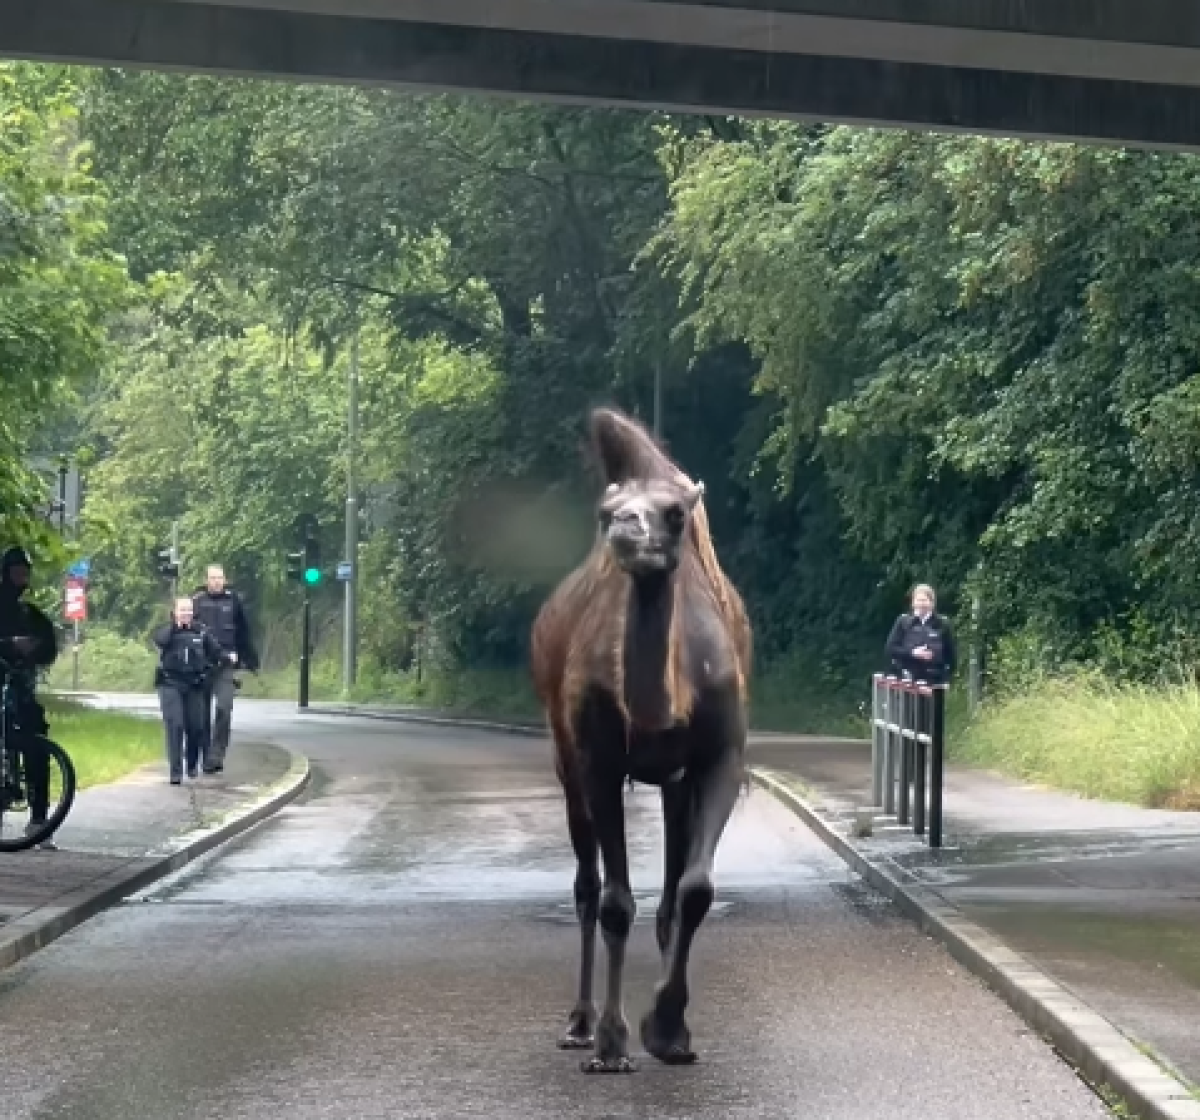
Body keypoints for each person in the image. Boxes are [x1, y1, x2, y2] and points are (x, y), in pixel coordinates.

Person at [0, 547, 60, 849]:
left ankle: (39, 820)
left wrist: (33, 649)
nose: (22, 576)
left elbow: (49, 647)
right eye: (17, 570)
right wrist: (10, 644)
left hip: (20, 691)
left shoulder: (29, 612)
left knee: (37, 746)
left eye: (25, 571)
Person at [192, 565, 258, 774]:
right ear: (206, 580)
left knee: (223, 708)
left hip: (226, 666)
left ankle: (216, 755)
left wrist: (248, 659)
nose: (216, 582)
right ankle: (203, 755)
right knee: (200, 715)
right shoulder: (197, 601)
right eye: (212, 578)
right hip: (202, 666)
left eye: (220, 578)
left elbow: (244, 631)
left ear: (225, 579)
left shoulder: (233, 601)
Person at [153, 597, 224, 785]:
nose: (186, 613)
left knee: (197, 728)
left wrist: (227, 658)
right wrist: (176, 626)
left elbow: (216, 651)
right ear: (175, 612)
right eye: (182, 610)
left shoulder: (201, 631)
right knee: (175, 725)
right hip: (170, 684)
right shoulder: (167, 631)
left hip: (194, 685)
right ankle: (175, 772)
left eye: (188, 610)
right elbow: (160, 641)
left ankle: (191, 763)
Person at [885, 582, 957, 685]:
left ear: (932, 603)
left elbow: (951, 656)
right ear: (913, 603)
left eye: (924, 600)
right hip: (907, 681)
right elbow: (890, 648)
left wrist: (947, 678)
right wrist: (912, 653)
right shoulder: (903, 621)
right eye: (918, 600)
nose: (921, 604)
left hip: (935, 681)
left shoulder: (942, 623)